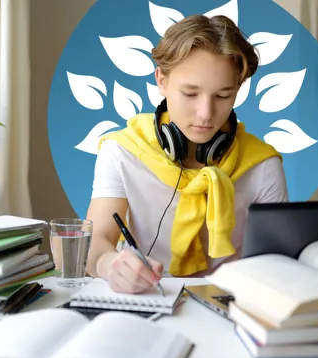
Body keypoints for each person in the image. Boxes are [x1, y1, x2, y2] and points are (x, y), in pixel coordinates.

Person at [85, 14, 288, 294]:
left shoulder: (263, 164)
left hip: (230, 301)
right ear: (161, 80)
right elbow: (96, 240)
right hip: (148, 296)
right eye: (191, 94)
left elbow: (274, 260)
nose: (206, 114)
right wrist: (110, 265)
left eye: (223, 95)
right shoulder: (121, 151)